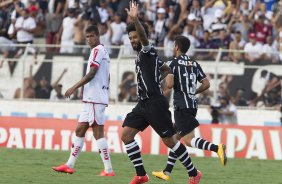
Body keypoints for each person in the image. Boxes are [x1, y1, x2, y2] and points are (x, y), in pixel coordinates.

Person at [121, 2, 202, 184]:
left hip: (155, 103)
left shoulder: (147, 50)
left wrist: (135, 19)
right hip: (143, 103)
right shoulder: (150, 58)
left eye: (135, 37)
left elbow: (143, 38)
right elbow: (166, 69)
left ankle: (193, 172)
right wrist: (160, 82)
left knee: (170, 141)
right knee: (126, 135)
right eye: (130, 38)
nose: (133, 40)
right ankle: (141, 175)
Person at [152, 35, 227, 182]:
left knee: (187, 140)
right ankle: (167, 171)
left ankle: (216, 148)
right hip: (192, 105)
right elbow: (206, 84)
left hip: (181, 105)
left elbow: (169, 85)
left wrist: (167, 81)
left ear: (176, 47)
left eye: (174, 45)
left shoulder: (171, 64)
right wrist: (194, 92)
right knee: (175, 139)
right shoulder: (194, 63)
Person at [52, 25, 115, 176]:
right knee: (80, 130)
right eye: (86, 37)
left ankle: (108, 169)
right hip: (92, 98)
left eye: (91, 36)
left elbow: (92, 73)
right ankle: (69, 165)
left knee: (98, 132)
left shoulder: (97, 50)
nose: (88, 39)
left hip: (94, 98)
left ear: (98, 36)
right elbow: (107, 75)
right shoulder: (104, 51)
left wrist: (73, 87)